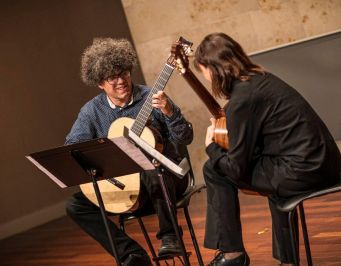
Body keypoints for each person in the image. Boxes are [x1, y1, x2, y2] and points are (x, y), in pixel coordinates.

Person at [193, 32, 341, 266]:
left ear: (213, 69)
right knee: (261, 173)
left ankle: (233, 255)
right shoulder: (261, 78)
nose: (205, 76)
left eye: (204, 70)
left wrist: (211, 145)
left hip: (304, 171)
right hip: (327, 163)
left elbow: (237, 168)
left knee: (214, 169)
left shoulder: (242, 100)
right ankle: (286, 261)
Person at [65, 38, 193, 265]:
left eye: (123, 72)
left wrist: (170, 111)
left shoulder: (154, 97)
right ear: (99, 83)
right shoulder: (92, 111)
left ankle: (171, 236)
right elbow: (74, 148)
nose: (120, 81)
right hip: (124, 187)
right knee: (75, 205)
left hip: (167, 182)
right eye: (111, 77)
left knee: (151, 168)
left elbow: (186, 138)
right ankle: (131, 255)